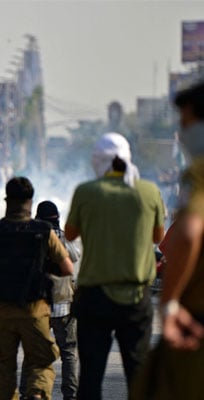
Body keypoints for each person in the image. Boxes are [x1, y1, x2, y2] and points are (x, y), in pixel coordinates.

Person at [64, 132, 165, 399]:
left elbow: (70, 233)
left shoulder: (86, 192)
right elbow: (159, 238)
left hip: (95, 297)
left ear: (98, 161)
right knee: (138, 373)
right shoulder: (149, 191)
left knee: (91, 375)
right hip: (136, 297)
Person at [130, 81, 204, 399]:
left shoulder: (199, 175)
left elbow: (187, 233)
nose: (181, 134)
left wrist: (170, 303)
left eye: (185, 124)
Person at [0, 177, 73, 400]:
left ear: (7, 200)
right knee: (41, 363)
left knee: (5, 369)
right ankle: (37, 393)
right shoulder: (44, 231)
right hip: (35, 311)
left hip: (2, 312)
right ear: (30, 201)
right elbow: (67, 267)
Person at [19, 201, 81, 400]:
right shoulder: (62, 237)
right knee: (69, 352)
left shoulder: (30, 236)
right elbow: (75, 256)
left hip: (37, 306)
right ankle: (70, 396)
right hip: (63, 305)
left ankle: (27, 393)